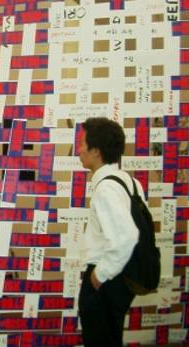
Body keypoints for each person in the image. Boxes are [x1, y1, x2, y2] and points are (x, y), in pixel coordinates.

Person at [78, 117, 143, 347]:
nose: (79, 149)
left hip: (106, 279)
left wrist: (100, 275)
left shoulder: (105, 188)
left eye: (82, 143)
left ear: (96, 151)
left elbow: (127, 236)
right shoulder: (129, 182)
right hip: (123, 277)